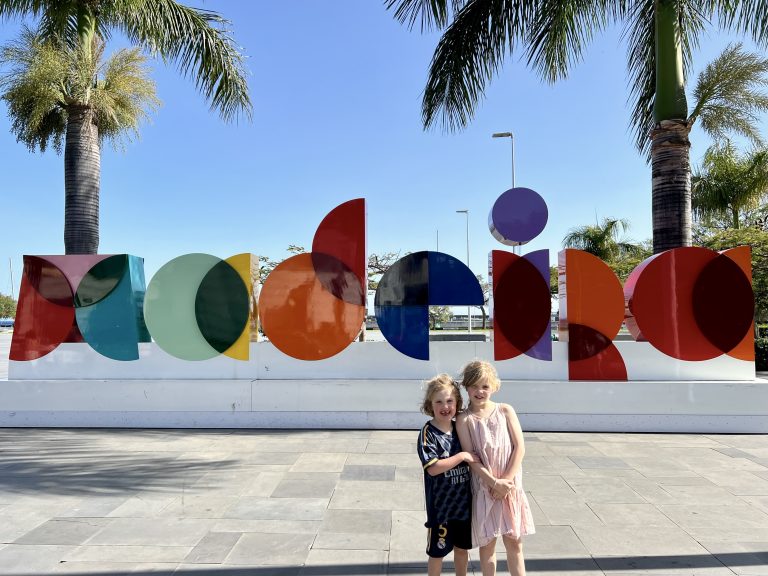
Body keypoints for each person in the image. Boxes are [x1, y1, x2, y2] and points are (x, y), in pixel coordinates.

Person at [456, 360, 535, 576]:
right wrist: (494, 483)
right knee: (487, 546)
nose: (479, 391)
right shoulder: (464, 419)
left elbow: (519, 447)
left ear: (494, 387)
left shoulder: (505, 410)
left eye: (485, 386)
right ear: (466, 387)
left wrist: (505, 482)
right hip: (485, 489)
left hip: (510, 488)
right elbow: (471, 458)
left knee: (514, 543)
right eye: (474, 386)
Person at [417, 374, 476, 576]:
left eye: (450, 401)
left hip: (464, 508)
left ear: (457, 402)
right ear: (429, 404)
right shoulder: (428, 433)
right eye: (439, 402)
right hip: (441, 510)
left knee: (462, 550)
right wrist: (461, 456)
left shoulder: (461, 428)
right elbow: (433, 468)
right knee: (437, 553)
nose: (445, 406)